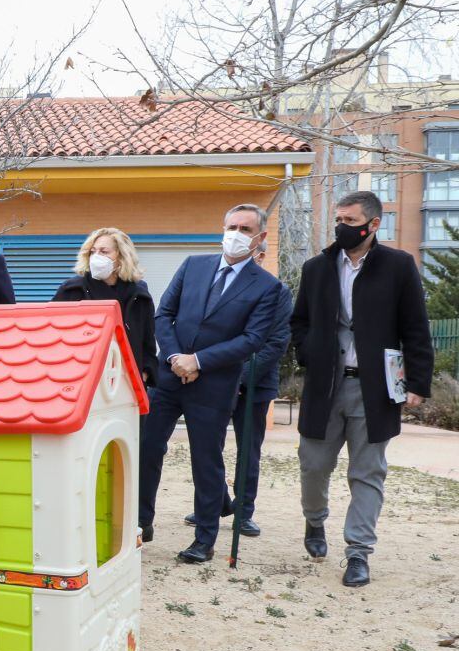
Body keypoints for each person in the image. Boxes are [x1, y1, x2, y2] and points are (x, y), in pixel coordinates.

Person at [292, 190, 433, 587]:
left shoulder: (399, 266)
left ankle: (358, 552)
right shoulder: (317, 267)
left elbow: (416, 328)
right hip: (324, 386)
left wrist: (417, 382)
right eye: (339, 219)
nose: (342, 227)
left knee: (368, 472)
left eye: (351, 221)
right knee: (313, 465)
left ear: (373, 225)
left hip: (376, 389)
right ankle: (315, 521)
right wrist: (309, 353)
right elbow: (298, 321)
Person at [138, 203, 283, 563]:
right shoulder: (193, 265)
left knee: (206, 461)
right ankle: (141, 523)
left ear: (260, 238)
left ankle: (204, 538)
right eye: (231, 225)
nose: (235, 234)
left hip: (214, 385)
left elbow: (252, 339)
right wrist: (175, 357)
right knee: (147, 448)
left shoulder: (268, 287)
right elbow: (164, 314)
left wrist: (200, 361)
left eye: (245, 229)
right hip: (168, 376)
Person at [184, 242, 293, 537]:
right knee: (209, 448)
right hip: (216, 380)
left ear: (260, 255)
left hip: (253, 384)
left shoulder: (276, 292)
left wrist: (241, 376)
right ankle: (216, 503)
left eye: (258, 255)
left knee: (248, 451)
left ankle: (243, 512)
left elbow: (275, 342)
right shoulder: (220, 286)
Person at [51, 227, 158, 387]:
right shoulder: (72, 290)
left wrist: (144, 374)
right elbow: (53, 336)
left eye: (104, 251)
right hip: (82, 382)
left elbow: (148, 344)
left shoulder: (139, 294)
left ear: (121, 256)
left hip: (127, 384)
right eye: (93, 252)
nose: (96, 257)